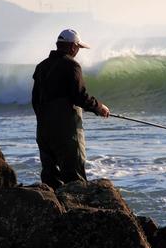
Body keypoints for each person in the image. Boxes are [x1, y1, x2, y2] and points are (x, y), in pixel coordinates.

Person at [32, 29, 110, 189]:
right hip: (66, 131)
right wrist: (99, 107)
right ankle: (75, 211)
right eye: (78, 48)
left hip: (44, 130)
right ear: (73, 47)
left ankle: (53, 210)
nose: (78, 51)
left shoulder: (41, 67)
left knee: (50, 177)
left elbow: (35, 100)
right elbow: (79, 96)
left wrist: (45, 120)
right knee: (75, 178)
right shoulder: (71, 65)